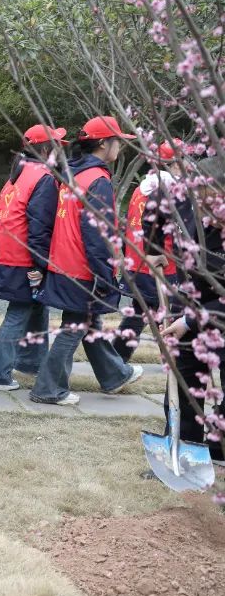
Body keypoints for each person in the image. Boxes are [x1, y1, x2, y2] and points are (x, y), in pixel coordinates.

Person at [29, 116, 144, 406]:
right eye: (118, 141)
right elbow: (97, 235)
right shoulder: (98, 180)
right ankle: (48, 389)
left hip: (64, 262)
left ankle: (115, 375)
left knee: (88, 320)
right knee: (75, 325)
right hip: (81, 266)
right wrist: (105, 275)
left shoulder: (75, 174)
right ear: (103, 143)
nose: (120, 147)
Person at [0, 125, 65, 391]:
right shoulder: (44, 177)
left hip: (8, 253)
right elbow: (40, 227)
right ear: (46, 149)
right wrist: (42, 265)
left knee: (36, 306)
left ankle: (31, 362)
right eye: (58, 145)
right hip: (25, 258)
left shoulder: (20, 172)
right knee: (19, 312)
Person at [155, 156, 224, 463]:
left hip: (217, 312)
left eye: (214, 203)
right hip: (194, 303)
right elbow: (156, 214)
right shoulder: (187, 206)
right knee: (184, 379)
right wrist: (154, 249)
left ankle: (219, 445)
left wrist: (189, 320)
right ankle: (182, 450)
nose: (207, 212)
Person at [112, 140, 183, 362]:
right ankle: (175, 364)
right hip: (161, 263)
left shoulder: (140, 189)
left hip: (138, 261)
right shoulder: (169, 190)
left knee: (144, 311)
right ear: (174, 163)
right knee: (165, 313)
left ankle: (116, 361)